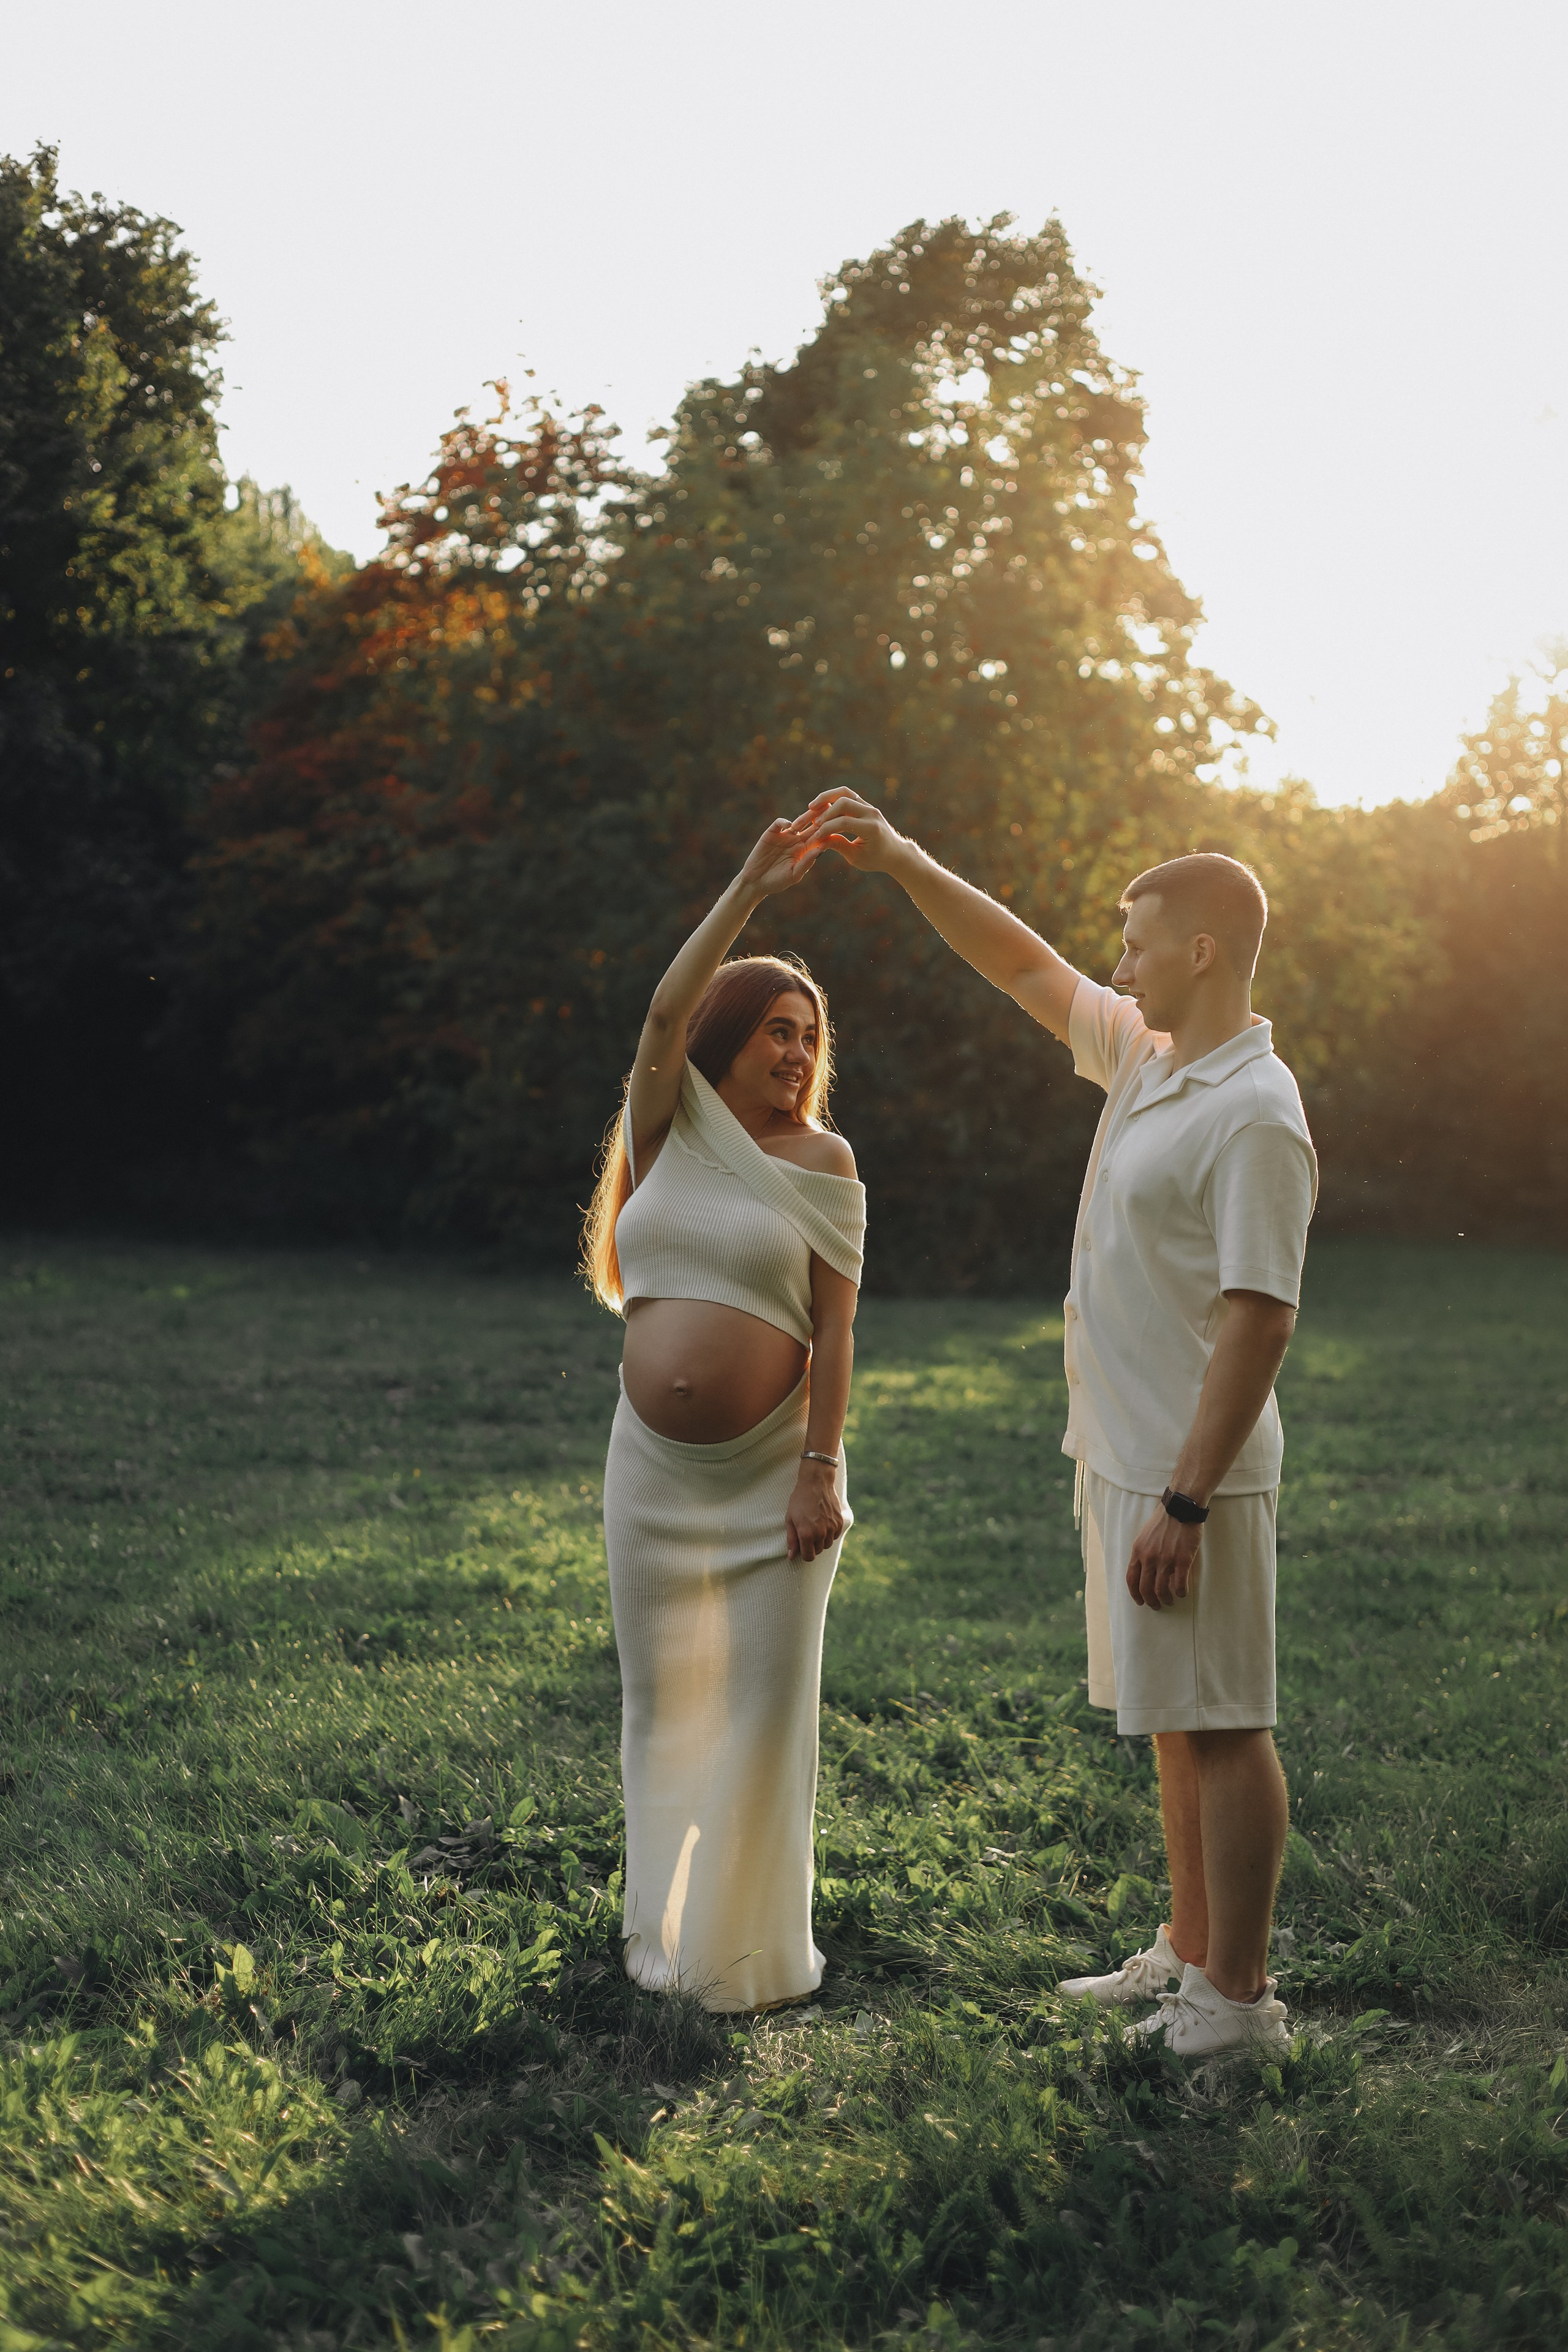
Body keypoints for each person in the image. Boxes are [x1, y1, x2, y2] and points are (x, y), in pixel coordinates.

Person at [802, 793, 1316, 2059]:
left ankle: (1235, 2008)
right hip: (1123, 1453)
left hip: (1190, 1471)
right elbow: (1019, 963)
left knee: (1224, 1720)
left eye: (1136, 940)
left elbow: (1259, 1319)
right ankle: (1187, 1953)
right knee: (1171, 1722)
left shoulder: (1253, 1108)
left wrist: (1187, 1500)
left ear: (1200, 949)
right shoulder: (1148, 1059)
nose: (1117, 962)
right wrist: (904, 856)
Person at [581, 815, 865, 2013]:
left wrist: (819, 1468)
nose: (795, 1052)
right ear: (724, 1040)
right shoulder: (667, 1126)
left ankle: (743, 1964)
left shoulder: (826, 1163)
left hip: (768, 1480)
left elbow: (836, 1331)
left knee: (758, 1717)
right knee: (665, 1711)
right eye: (773, 1031)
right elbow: (657, 1012)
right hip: (647, 1474)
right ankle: (663, 1938)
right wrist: (749, 883)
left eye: (808, 1038)